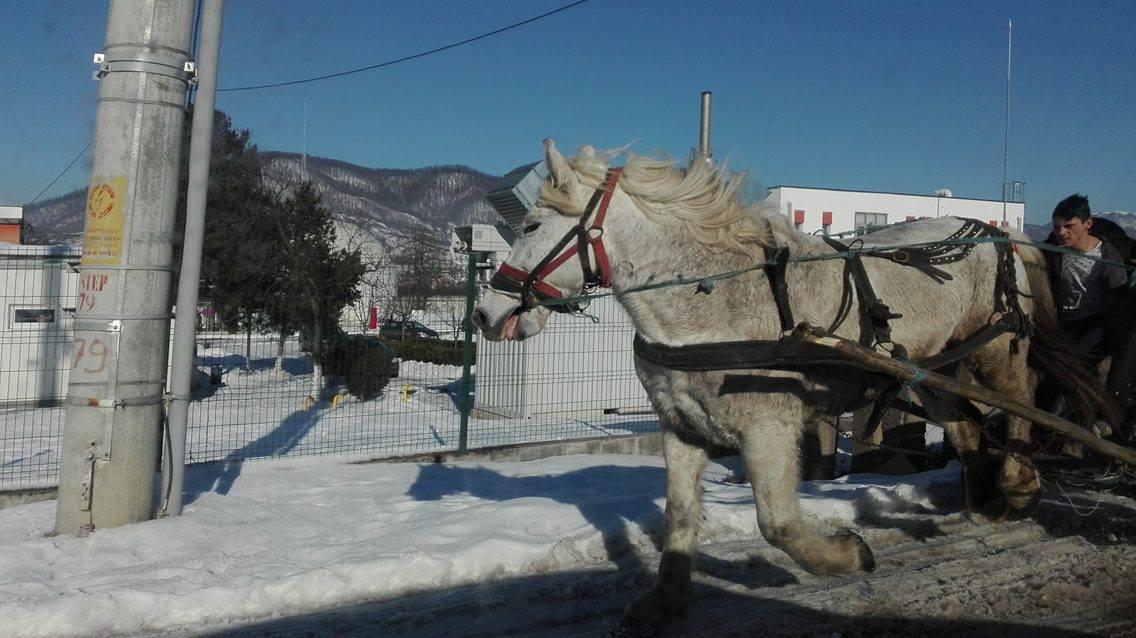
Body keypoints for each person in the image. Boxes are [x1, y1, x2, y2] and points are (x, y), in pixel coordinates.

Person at [1044, 193, 1136, 440]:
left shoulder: (1107, 257)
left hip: (1100, 324)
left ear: (1088, 224)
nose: (1062, 232)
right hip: (1066, 322)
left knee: (1070, 361)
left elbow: (1120, 304)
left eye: (1069, 226)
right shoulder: (1054, 250)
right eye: (1057, 226)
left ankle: (1057, 421)